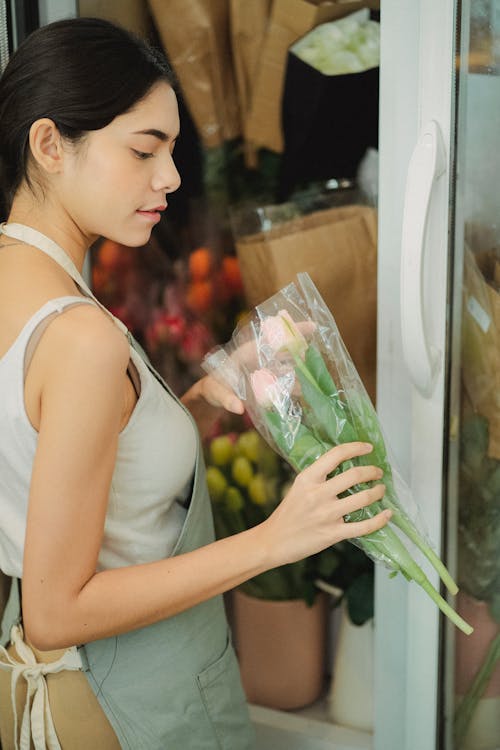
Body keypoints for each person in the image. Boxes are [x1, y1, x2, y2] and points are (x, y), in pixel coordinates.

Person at [0, 17, 391, 750]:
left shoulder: (20, 285)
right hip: (127, 704)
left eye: (174, 150)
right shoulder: (79, 337)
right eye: (145, 149)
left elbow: (63, 467)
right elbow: (56, 609)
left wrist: (202, 404)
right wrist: (278, 539)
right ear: (50, 145)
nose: (172, 177)